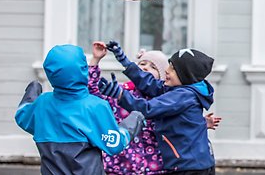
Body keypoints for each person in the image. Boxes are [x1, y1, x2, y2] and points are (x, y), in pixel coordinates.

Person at [88, 42, 222, 174]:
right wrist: (125, 62)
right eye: (142, 64)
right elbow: (150, 83)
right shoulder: (177, 91)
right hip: (180, 164)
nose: (167, 70)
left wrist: (120, 95)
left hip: (187, 167)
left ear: (185, 75)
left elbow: (147, 108)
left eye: (173, 68)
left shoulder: (182, 95)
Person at [14, 44, 145, 175]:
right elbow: (115, 144)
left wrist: (32, 90)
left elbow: (22, 115)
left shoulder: (42, 103)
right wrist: (135, 119)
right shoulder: (96, 106)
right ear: (83, 69)